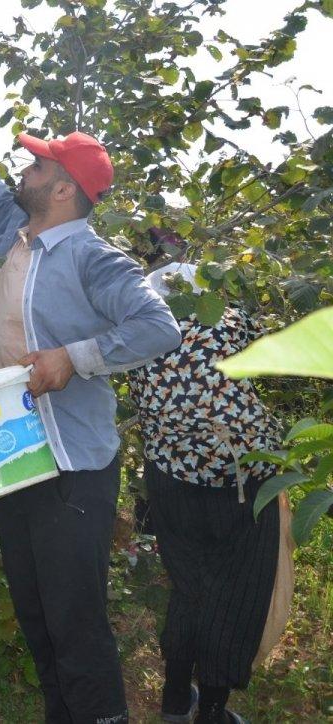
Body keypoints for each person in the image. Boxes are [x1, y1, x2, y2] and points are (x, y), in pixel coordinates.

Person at [0, 77, 181, 723]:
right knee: (34, 610)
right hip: (11, 455)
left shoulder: (94, 259)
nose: (22, 172)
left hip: (71, 462)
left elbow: (158, 327)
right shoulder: (12, 229)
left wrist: (73, 358)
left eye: (36, 166)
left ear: (62, 190)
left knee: (74, 615)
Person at [128, 260, 282, 724]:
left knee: (189, 588)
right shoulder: (227, 322)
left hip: (171, 480)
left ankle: (175, 700)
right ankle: (212, 711)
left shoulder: (138, 335)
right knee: (234, 595)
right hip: (241, 480)